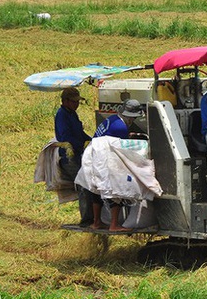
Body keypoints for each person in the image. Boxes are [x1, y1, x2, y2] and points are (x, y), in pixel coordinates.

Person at [90, 98, 144, 231]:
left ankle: (96, 222)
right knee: (118, 189)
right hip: (106, 160)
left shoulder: (112, 119)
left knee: (97, 190)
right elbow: (123, 150)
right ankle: (114, 225)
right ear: (131, 117)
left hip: (94, 157)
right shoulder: (121, 127)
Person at [54, 87, 92, 226]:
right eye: (74, 102)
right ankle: (86, 219)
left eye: (78, 102)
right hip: (69, 157)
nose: (76, 104)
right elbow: (66, 137)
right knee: (83, 184)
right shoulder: (62, 115)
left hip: (78, 154)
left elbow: (80, 133)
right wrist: (83, 144)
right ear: (65, 101)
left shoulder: (72, 114)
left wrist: (93, 140)